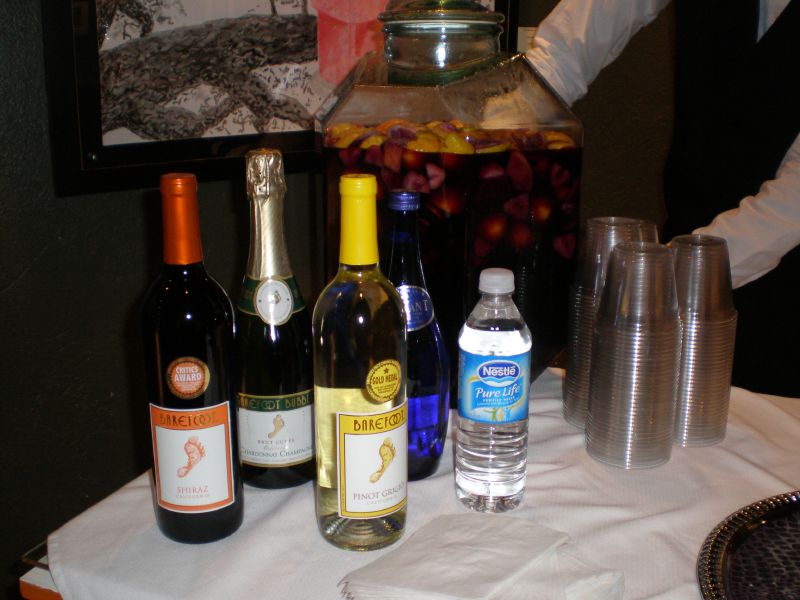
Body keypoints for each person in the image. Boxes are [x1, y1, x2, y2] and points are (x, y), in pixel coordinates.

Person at [526, 0, 800, 397]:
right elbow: (563, 51)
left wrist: (656, 278)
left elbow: (787, 210)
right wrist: (503, 128)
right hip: (687, 246)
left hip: (786, 303)